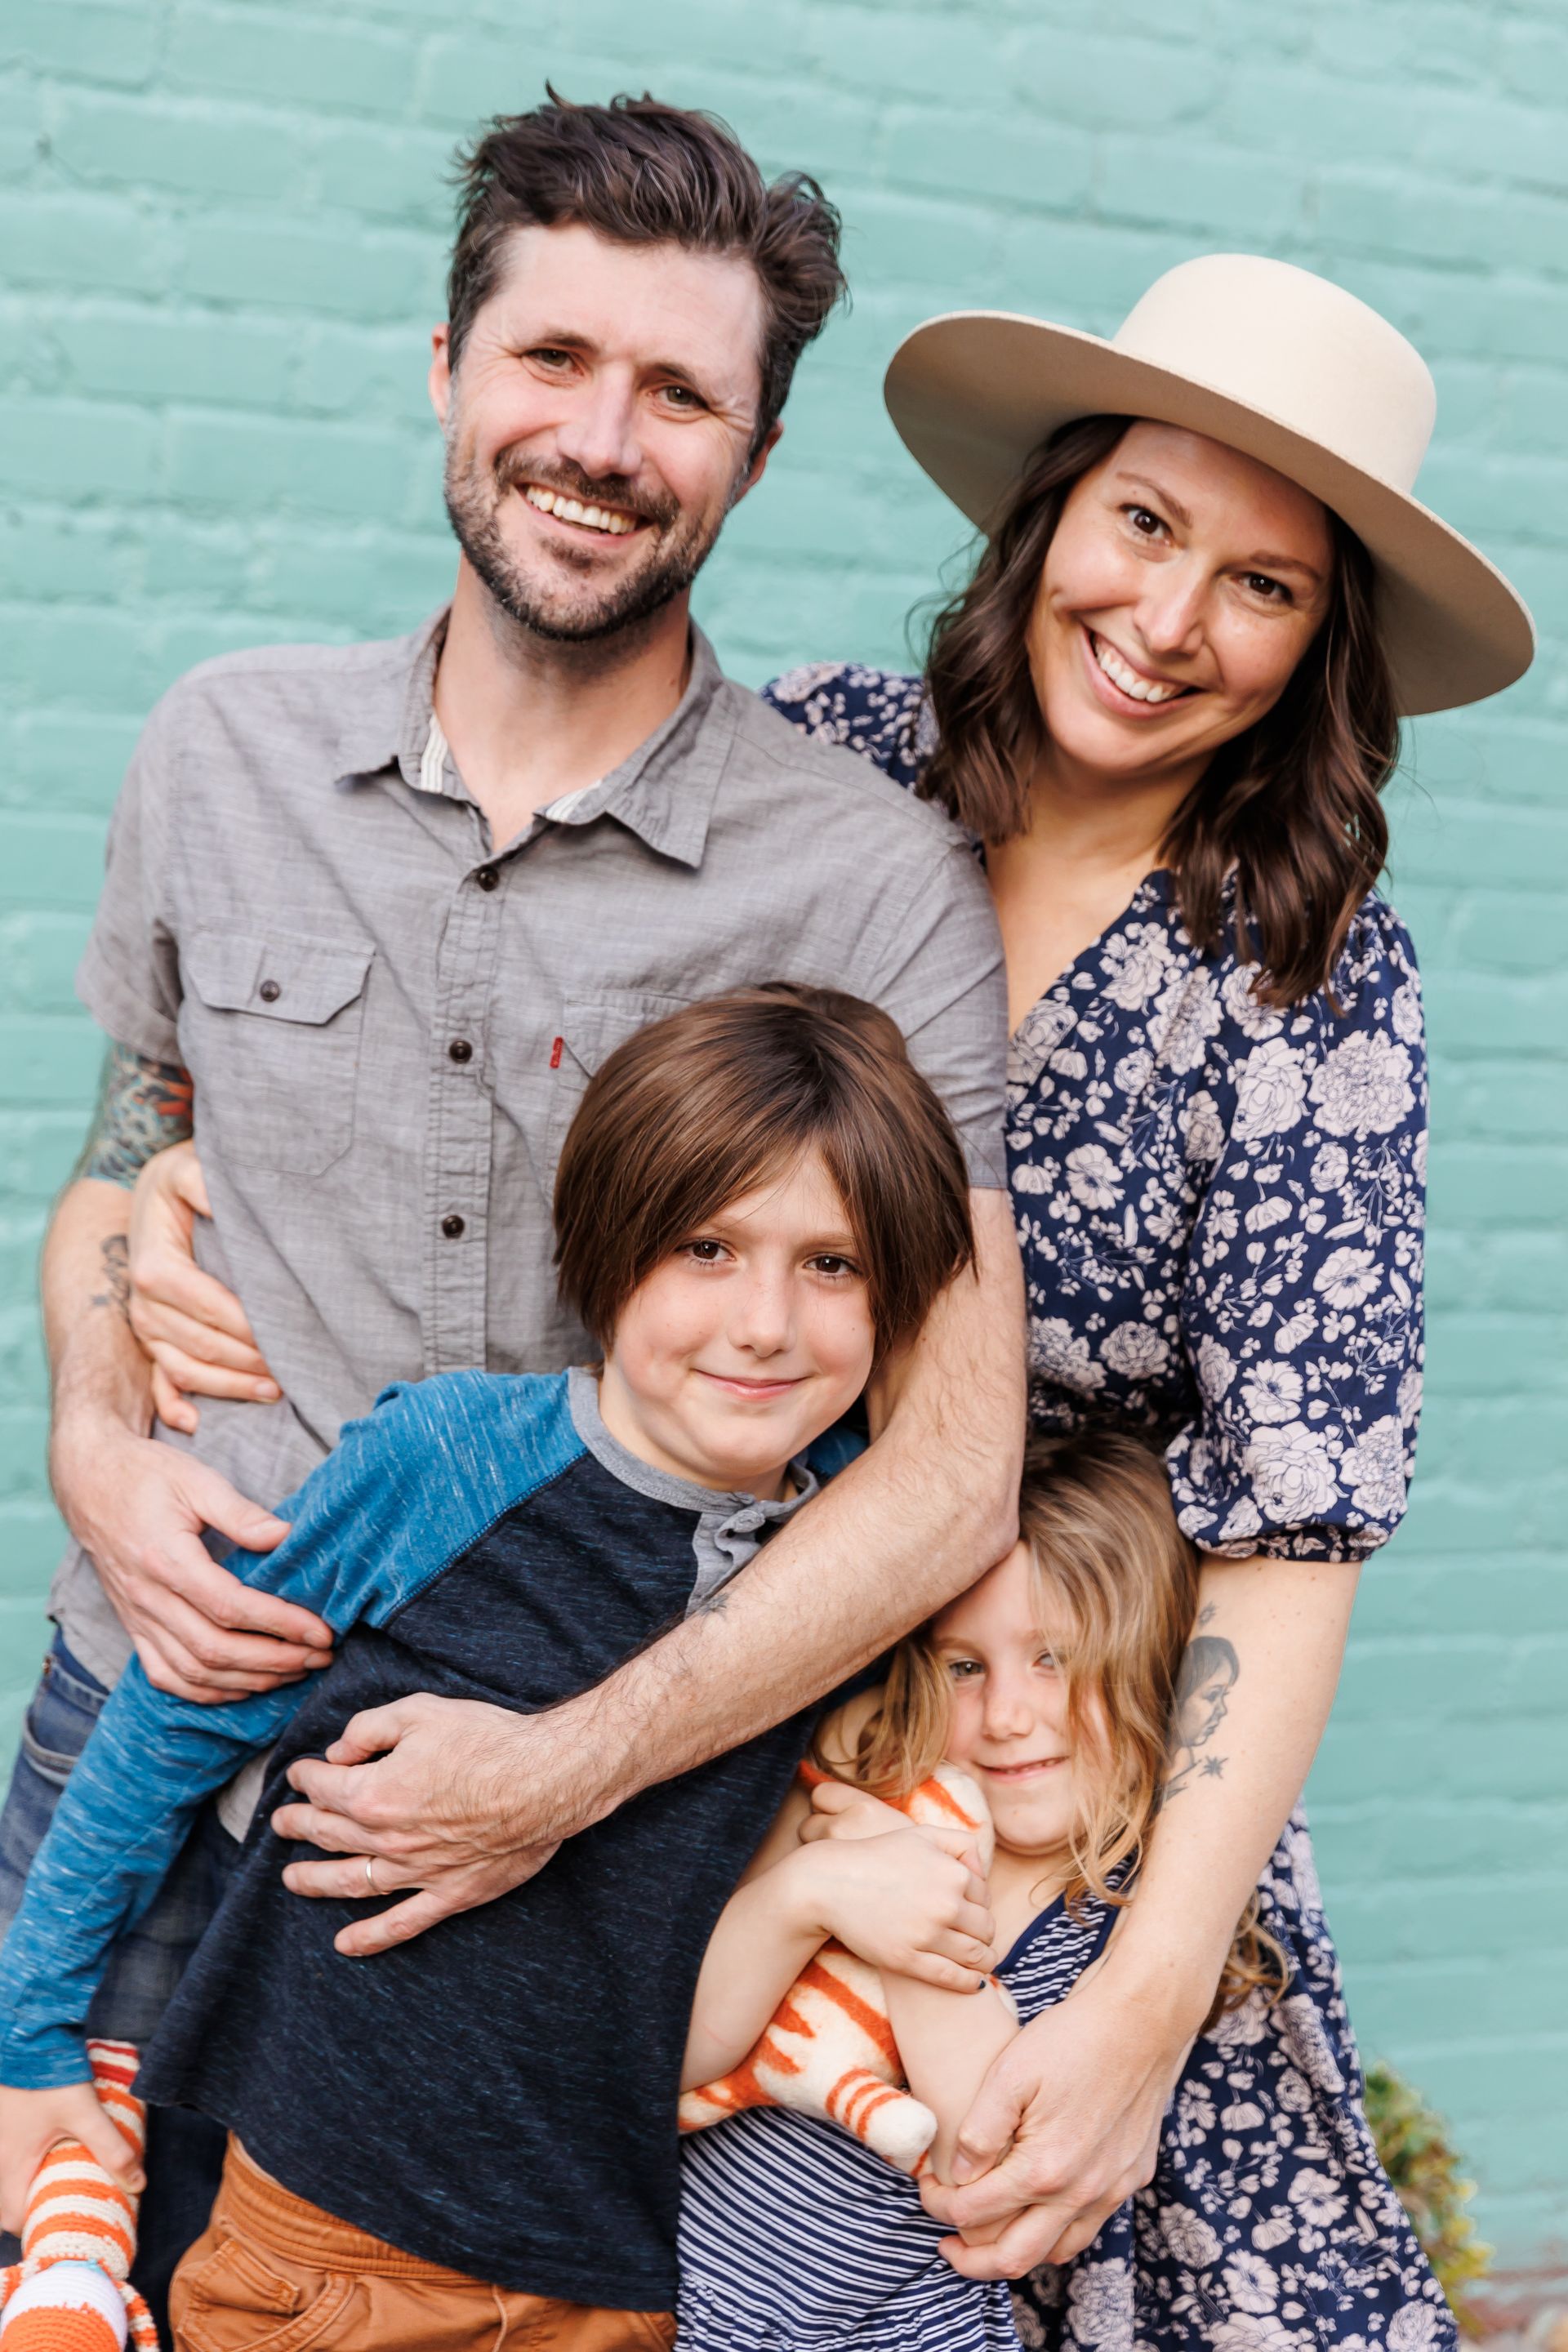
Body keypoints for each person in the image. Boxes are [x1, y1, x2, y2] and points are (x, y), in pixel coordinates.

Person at [0, 89, 1021, 2316]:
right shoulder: (219, 751)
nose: (604, 438)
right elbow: (119, 1170)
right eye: (553, 357)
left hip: (544, 1829)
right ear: (448, 366)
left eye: (680, 393)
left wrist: (563, 1771)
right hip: (147, 1716)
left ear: (754, 453)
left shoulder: (868, 887)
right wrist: (91, 1431)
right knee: (61, 2278)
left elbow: (956, 1466)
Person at [754, 253, 1533, 2311]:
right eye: (1146, 522)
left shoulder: (1303, 974)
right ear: (1051, 511)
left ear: (1320, 646)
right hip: (723, 1705)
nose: (1172, 620)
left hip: (1063, 1792)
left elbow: (1292, 1525)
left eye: (1263, 584)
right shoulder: (817, 763)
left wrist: (1147, 1996)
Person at [0, 987, 988, 2352]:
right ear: (612, 1242)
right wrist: (31, 2030)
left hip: (613, 2270)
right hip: (330, 2255)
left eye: (833, 1264)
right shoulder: (453, 1460)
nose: (766, 1322)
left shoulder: (850, 1552)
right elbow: (172, 1723)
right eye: (707, 1247)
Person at [673, 1429, 1454, 2351]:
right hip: (670, 2304)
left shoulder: (1126, 1911)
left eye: (1056, 1658)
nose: (1007, 1716)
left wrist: (920, 1915)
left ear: (1154, 1666)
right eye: (966, 1667)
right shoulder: (867, 1786)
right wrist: (807, 1892)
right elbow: (677, 2054)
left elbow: (985, 2168)